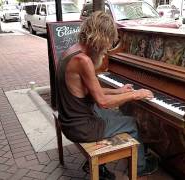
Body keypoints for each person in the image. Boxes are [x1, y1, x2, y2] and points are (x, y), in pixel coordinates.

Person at [56, 11, 158, 179]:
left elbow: (90, 90)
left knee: (115, 114)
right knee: (131, 123)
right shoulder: (84, 61)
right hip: (80, 127)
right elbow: (102, 102)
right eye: (109, 42)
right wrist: (135, 94)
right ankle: (140, 168)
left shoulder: (71, 51)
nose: (108, 48)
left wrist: (118, 91)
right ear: (101, 38)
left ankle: (102, 166)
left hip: (70, 119)